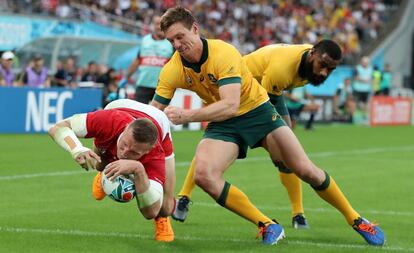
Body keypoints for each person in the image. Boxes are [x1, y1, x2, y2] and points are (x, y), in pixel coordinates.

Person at [150, 6, 385, 246]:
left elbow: (231, 104)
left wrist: (187, 115)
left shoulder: (223, 52)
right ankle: (267, 224)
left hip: (257, 110)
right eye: (171, 41)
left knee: (304, 169)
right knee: (204, 175)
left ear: (195, 29)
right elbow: (153, 110)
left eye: (181, 37)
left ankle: (356, 219)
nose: (177, 44)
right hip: (225, 121)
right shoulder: (172, 69)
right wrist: (128, 133)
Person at [174, 40, 341, 229]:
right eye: (323, 66)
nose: (324, 72)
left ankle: (298, 213)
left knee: (286, 156)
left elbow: (277, 89)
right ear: (313, 54)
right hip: (235, 93)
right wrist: (287, 128)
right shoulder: (284, 66)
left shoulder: (310, 58)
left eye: (330, 69)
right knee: (213, 146)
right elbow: (272, 97)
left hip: (258, 95)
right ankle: (184, 196)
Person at [48, 99, 176, 242]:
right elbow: (58, 127)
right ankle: (104, 173)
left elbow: (150, 212)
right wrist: (77, 149)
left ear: (148, 150)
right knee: (99, 164)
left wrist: (139, 170)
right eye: (124, 144)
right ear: (126, 128)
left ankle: (162, 222)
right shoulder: (108, 120)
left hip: (160, 124)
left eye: (134, 152)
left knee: (165, 208)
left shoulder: (155, 155)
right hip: (119, 107)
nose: (125, 152)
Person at [120, 15, 174, 104]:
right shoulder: (145, 40)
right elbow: (137, 60)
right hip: (143, 84)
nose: (159, 26)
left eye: (162, 24)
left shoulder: (171, 41)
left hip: (162, 87)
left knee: (159, 115)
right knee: (139, 114)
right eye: (157, 24)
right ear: (152, 25)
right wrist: (126, 77)